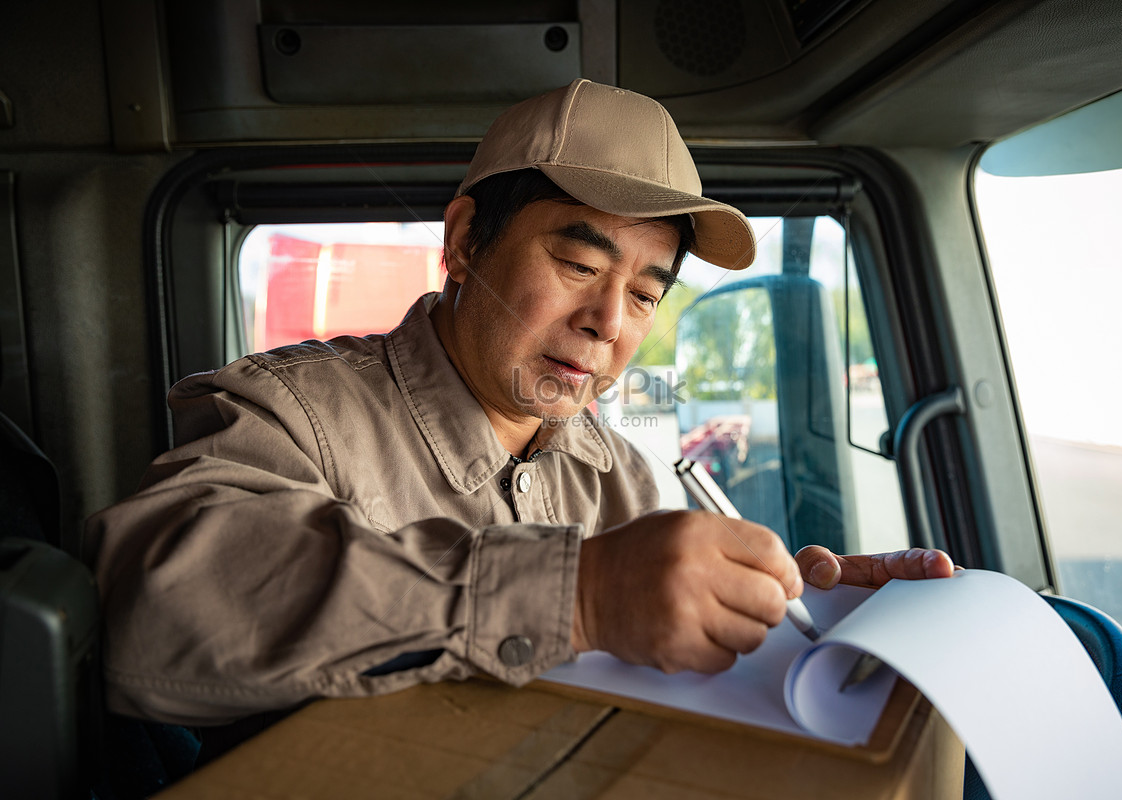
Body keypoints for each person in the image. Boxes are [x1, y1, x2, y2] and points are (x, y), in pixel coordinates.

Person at [85, 79, 953, 727]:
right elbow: (153, 611)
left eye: (647, 294)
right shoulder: (295, 413)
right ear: (464, 243)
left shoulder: (622, 479)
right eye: (578, 265)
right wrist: (577, 596)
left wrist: (789, 614)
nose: (609, 323)